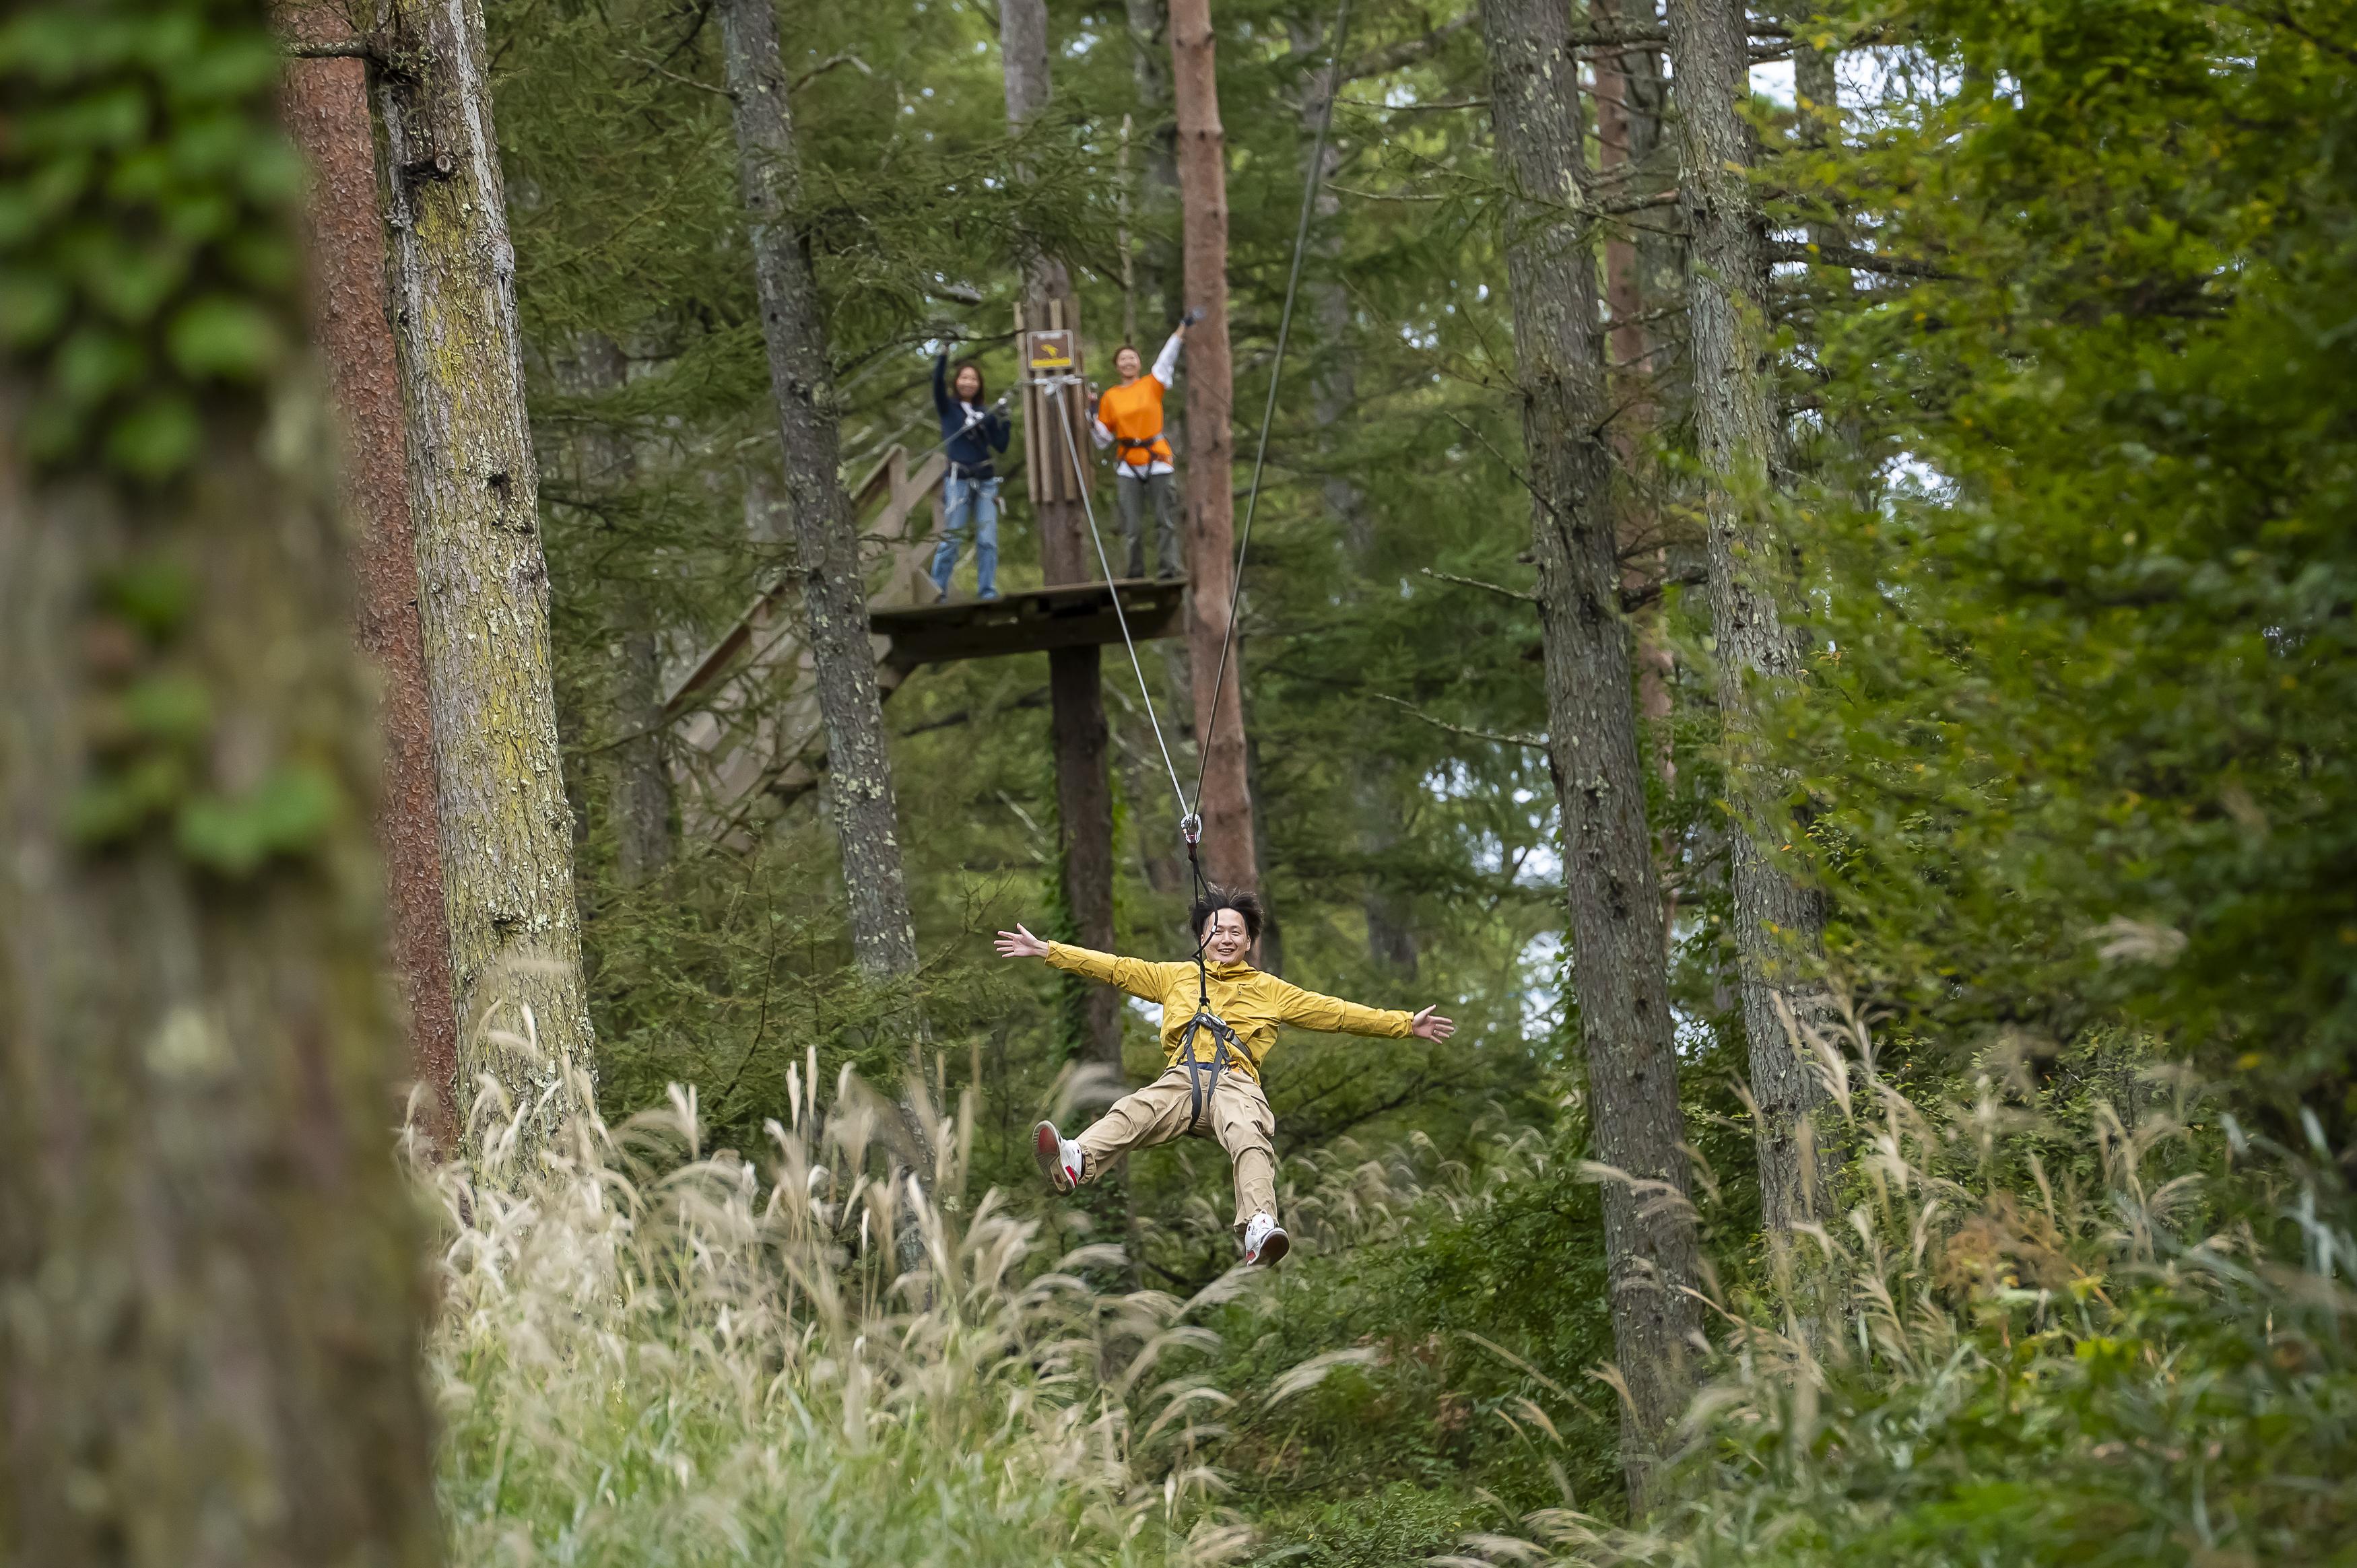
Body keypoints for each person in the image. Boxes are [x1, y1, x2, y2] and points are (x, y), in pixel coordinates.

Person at [995, 887, 1455, 1267]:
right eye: (1216, 929)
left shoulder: (1271, 990)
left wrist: (1403, 1023)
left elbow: (1333, 1012)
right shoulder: (1174, 977)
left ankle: (1258, 1223)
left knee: (1247, 1134)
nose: (1226, 937)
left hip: (1236, 1079)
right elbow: (1115, 968)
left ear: (1250, 941)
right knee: (1134, 1109)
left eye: (1236, 930)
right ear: (1201, 937)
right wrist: (1048, 950)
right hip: (1182, 1077)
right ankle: (1077, 1159)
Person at [1090, 318, 1190, 580]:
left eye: (1132, 358)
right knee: (1132, 526)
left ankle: (1169, 569)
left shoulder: (1152, 384)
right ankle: (1135, 572)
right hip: (1128, 463)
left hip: (1157, 457)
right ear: (1116, 366)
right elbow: (1102, 439)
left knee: (1164, 520)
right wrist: (1091, 416)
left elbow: (1168, 357)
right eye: (1123, 359)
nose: (1127, 362)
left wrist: (1182, 328)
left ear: (1139, 363)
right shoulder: (1111, 397)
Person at [929, 352, 1009, 603]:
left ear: (979, 385)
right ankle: (938, 591)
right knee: (952, 538)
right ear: (956, 382)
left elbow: (1001, 445)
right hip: (959, 478)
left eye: (973, 379)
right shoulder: (948, 408)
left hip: (985, 479)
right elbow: (936, 383)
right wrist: (943, 356)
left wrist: (1005, 419)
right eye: (964, 378)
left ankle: (987, 590)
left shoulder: (985, 413)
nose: (968, 383)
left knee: (987, 539)